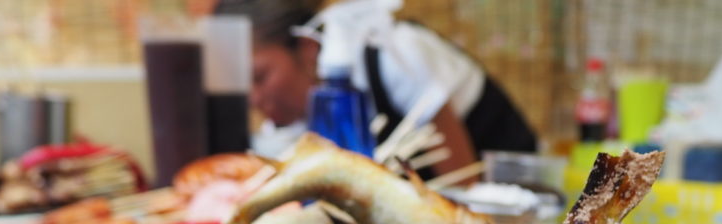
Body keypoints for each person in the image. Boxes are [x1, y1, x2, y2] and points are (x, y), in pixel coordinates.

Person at [217, 0, 537, 179]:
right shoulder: (303, 107)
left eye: (260, 76)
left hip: (509, 193)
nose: (255, 99)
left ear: (306, 49)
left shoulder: (394, 52)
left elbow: (463, 181)